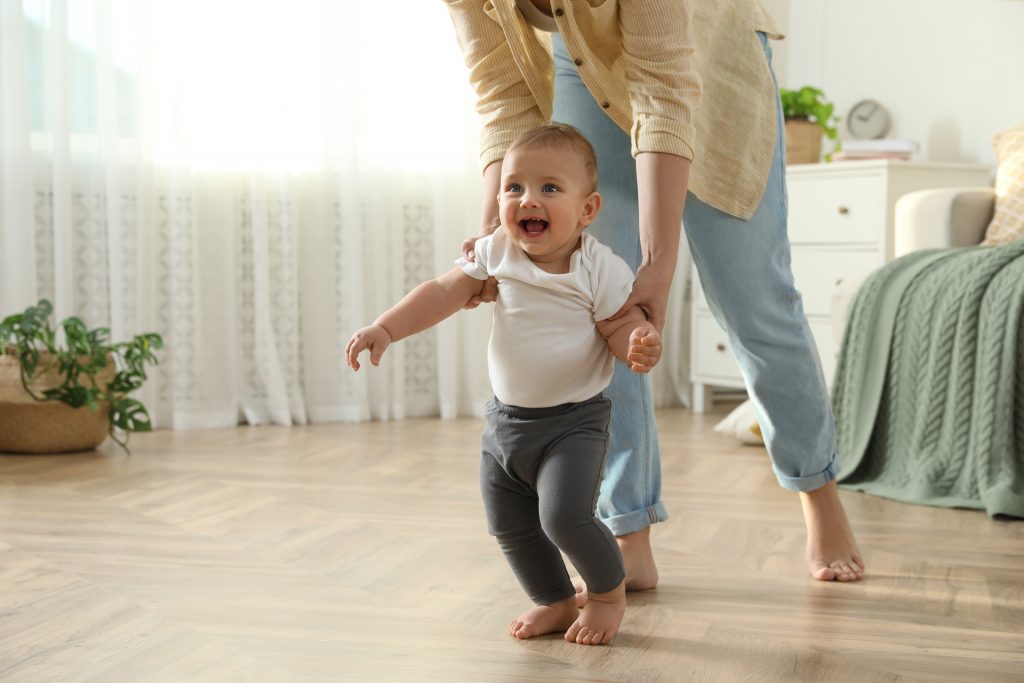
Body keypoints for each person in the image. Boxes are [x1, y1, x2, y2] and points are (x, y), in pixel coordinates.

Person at [444, 0, 865, 584]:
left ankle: (817, 490)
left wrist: (659, 264)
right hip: (577, 66)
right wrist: (493, 239)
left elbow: (664, 92)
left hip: (707, 61)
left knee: (755, 304)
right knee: (601, 311)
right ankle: (628, 532)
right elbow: (503, 97)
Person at [347, 124, 663, 644]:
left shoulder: (597, 267)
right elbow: (443, 292)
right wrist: (386, 328)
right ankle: (554, 601)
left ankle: (607, 595)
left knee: (564, 517)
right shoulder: (496, 250)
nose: (527, 199)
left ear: (587, 209)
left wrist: (638, 340)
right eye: (514, 187)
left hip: (573, 423)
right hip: (505, 424)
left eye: (549, 188)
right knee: (510, 524)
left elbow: (618, 324)